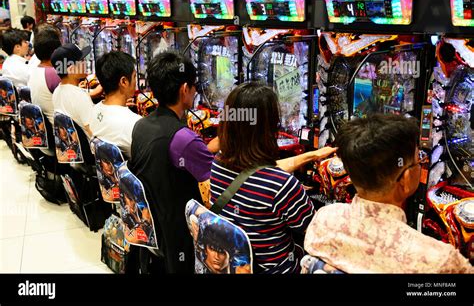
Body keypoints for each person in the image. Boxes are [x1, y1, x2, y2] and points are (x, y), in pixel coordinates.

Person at [304, 114, 474, 273]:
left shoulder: (324, 218)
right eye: (418, 160)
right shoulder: (439, 260)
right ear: (405, 179)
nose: (421, 163)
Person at [210, 82, 336, 274]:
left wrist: (312, 155)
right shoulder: (282, 186)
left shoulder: (218, 163)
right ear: (269, 127)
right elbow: (315, 232)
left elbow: (257, 173)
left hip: (235, 265)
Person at [130, 51, 215, 274]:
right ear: (184, 89)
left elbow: (192, 152)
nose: (196, 91)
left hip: (151, 225)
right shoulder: (183, 139)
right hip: (179, 232)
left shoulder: (142, 125)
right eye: (194, 86)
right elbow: (218, 178)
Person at [89, 51, 141, 158]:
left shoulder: (93, 110)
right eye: (135, 76)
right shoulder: (135, 124)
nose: (136, 81)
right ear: (124, 82)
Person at [51, 44, 94, 137]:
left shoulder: (56, 91)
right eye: (82, 61)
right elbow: (93, 132)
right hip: (89, 149)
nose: (85, 63)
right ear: (71, 69)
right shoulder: (80, 96)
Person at [27, 23, 62, 125]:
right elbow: (72, 100)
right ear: (55, 50)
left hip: (48, 127)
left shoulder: (37, 68)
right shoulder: (53, 73)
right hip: (58, 127)